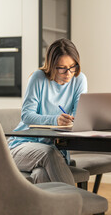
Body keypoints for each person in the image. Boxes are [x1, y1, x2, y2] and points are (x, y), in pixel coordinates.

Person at [7, 38, 87, 185]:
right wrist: (55, 120)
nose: (68, 73)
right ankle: (76, 204)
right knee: (48, 154)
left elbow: (79, 117)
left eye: (72, 66)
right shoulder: (39, 78)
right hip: (21, 146)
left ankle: (45, 208)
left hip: (55, 149)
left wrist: (76, 120)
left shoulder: (79, 80)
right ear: (51, 66)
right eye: (62, 68)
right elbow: (27, 116)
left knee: (41, 174)